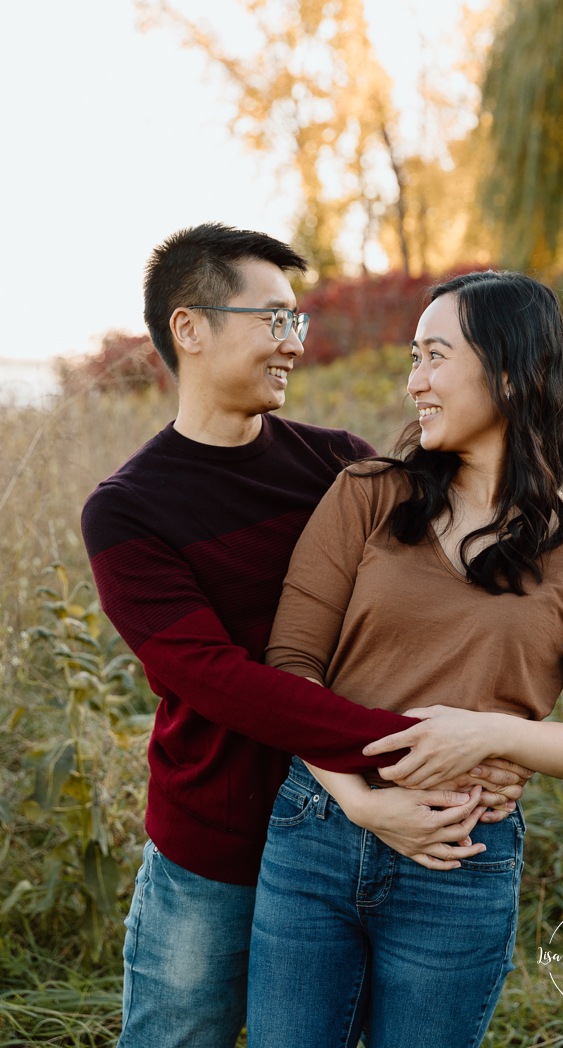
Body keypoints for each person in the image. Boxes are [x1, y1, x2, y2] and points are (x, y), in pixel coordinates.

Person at [80, 224, 528, 1048]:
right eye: (273, 320)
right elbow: (221, 678)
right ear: (190, 328)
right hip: (216, 846)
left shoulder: (341, 467)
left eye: (299, 323)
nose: (293, 344)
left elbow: (447, 600)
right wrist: (426, 746)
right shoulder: (127, 509)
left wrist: (490, 735)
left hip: (351, 840)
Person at [247, 270, 563, 1048]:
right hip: (317, 831)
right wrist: (363, 801)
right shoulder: (365, 495)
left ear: (507, 370)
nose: (413, 382)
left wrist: (486, 735)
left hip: (459, 858)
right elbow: (288, 668)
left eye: (433, 356)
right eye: (413, 358)